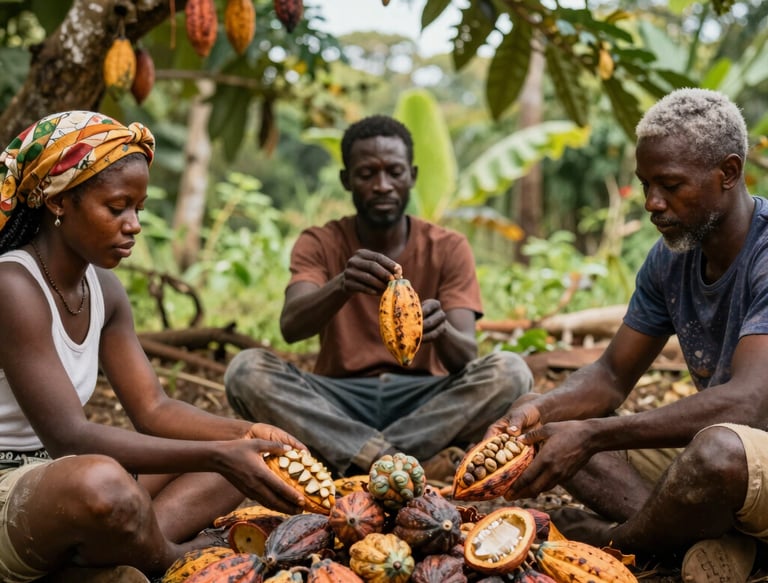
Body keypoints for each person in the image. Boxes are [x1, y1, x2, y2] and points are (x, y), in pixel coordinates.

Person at [0, 110, 309, 582]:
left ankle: (107, 556)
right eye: (117, 206)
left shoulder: (103, 290)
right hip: (13, 492)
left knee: (257, 455)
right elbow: (70, 437)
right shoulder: (12, 286)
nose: (134, 225)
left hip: (63, 482)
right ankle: (168, 559)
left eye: (138, 209)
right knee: (103, 482)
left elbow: (153, 408)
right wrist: (216, 454)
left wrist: (242, 433)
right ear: (59, 202)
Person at [486, 88, 768, 582]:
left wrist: (593, 435)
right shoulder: (671, 257)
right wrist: (538, 412)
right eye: (645, 184)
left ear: (728, 172)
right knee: (545, 432)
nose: (651, 203)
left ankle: (612, 541)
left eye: (670, 184)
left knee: (717, 451)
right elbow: (612, 375)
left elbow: (748, 404)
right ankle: (701, 539)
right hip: (723, 464)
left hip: (743, 454)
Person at [225, 114, 533, 481]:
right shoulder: (320, 241)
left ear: (412, 176)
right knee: (246, 370)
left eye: (395, 172)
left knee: (512, 371)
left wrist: (442, 330)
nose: (382, 185)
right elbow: (291, 327)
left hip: (424, 400)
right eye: (367, 174)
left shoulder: (448, 246)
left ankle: (356, 458)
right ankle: (391, 460)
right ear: (346, 180)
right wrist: (341, 285)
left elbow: (465, 357)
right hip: (337, 399)